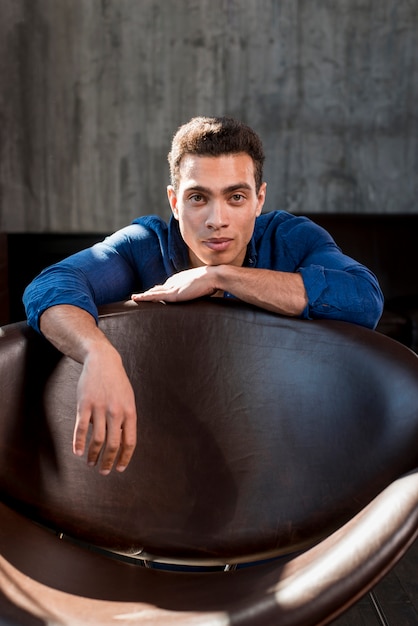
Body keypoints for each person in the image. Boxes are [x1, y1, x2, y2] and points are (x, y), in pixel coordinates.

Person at [23, 116, 384, 476]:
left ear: (259, 200)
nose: (217, 219)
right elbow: (52, 285)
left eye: (236, 197)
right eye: (198, 198)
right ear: (175, 202)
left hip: (286, 456)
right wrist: (97, 354)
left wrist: (220, 276)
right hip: (163, 462)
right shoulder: (145, 246)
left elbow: (363, 298)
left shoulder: (292, 240)